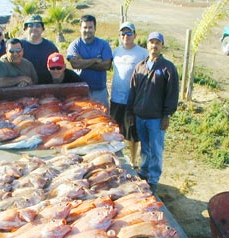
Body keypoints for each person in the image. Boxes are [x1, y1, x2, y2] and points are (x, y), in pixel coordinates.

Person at [126, 32, 179, 193]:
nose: (154, 45)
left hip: (156, 119)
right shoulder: (140, 66)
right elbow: (133, 91)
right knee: (145, 147)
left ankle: (154, 179)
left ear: (162, 46)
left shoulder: (167, 68)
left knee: (156, 150)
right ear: (147, 45)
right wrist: (130, 113)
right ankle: (143, 173)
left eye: (157, 43)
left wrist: (166, 115)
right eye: (151, 42)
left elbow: (172, 94)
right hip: (140, 116)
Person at [110, 22, 148, 169]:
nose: (126, 36)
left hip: (133, 100)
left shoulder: (143, 53)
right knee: (115, 131)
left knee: (132, 133)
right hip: (116, 98)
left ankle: (133, 161)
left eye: (129, 33)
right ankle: (117, 160)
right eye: (123, 34)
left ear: (135, 35)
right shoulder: (116, 52)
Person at [67, 14, 112, 109]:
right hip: (80, 91)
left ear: (95, 28)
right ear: (80, 28)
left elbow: (106, 65)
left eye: (90, 27)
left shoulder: (103, 44)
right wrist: (95, 60)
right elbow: (75, 64)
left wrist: (83, 62)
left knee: (103, 119)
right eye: (85, 27)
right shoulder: (74, 45)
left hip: (99, 91)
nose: (87, 30)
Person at [21, 14, 59, 84]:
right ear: (26, 29)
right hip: (24, 86)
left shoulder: (50, 46)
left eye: (38, 26)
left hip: (47, 85)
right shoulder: (19, 46)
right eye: (30, 25)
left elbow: (58, 68)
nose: (34, 28)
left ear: (42, 29)